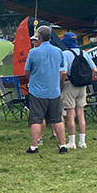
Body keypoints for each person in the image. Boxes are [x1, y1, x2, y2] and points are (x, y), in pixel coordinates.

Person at [25, 25, 67, 154]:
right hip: (54, 90)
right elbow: (62, 70)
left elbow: (27, 71)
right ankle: (62, 145)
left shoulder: (33, 52)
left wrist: (31, 79)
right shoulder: (58, 51)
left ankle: (34, 146)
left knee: (36, 119)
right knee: (57, 119)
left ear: (39, 37)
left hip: (37, 91)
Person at [58, 32, 90, 149]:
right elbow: (94, 69)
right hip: (82, 86)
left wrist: (60, 85)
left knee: (71, 114)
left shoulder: (65, 54)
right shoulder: (83, 53)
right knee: (81, 113)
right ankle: (82, 141)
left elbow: (64, 72)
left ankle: (72, 141)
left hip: (70, 85)